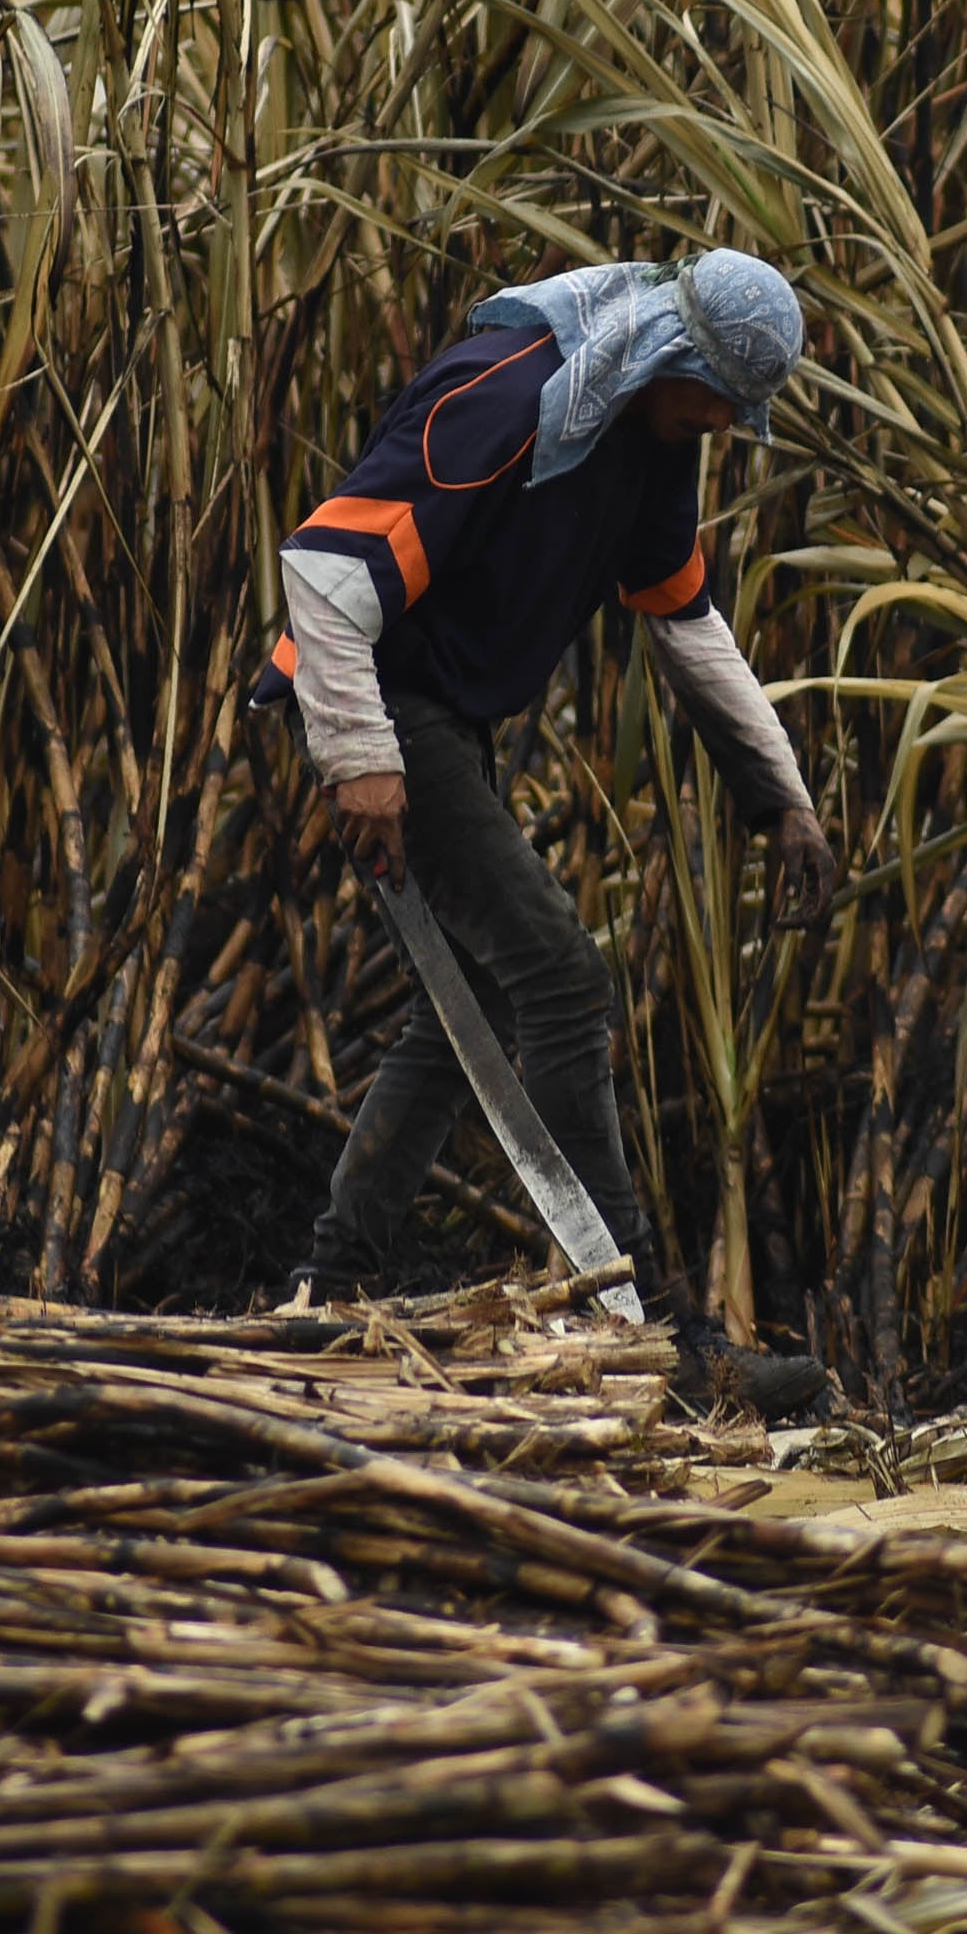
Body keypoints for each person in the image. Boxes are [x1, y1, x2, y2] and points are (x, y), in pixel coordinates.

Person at [254, 250, 836, 1416]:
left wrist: (785, 803)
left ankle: (325, 1291)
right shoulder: (505, 399)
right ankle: (642, 1329)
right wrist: (360, 758)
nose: (725, 423)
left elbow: (685, 624)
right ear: (672, 360)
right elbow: (325, 572)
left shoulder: (649, 441)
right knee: (562, 980)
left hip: (446, 717)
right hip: (380, 696)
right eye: (718, 395)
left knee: (463, 1003)